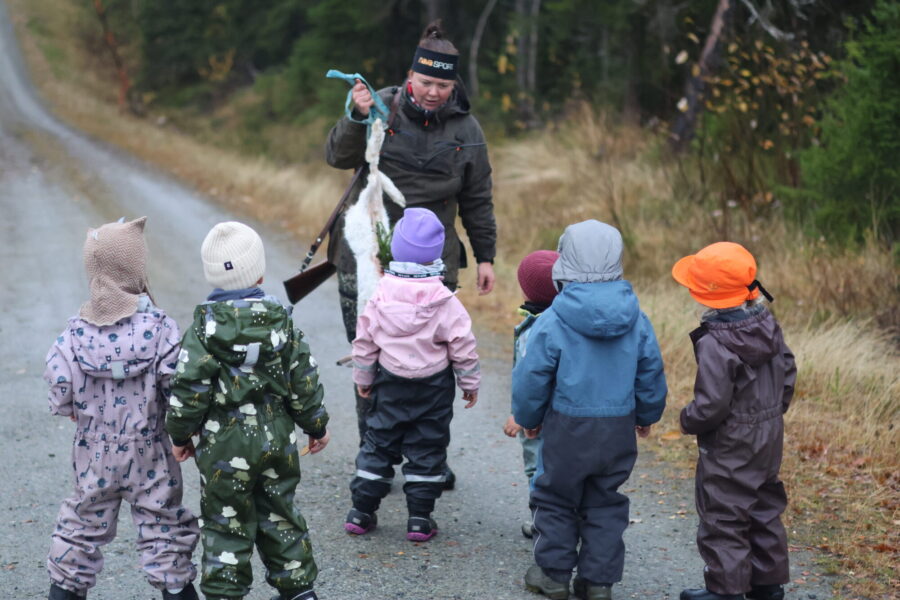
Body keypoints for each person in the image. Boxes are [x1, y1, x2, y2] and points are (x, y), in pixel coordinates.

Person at [325, 21, 497, 470]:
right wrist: (357, 117)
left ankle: (425, 457)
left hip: (435, 266)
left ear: (453, 83)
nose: (434, 92)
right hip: (366, 259)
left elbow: (477, 199)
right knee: (370, 356)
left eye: (443, 84)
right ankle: (375, 453)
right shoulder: (381, 106)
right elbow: (337, 157)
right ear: (410, 76)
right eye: (426, 82)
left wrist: (486, 257)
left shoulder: (467, 128)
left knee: (433, 365)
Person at [165, 222, 330, 600]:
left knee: (225, 524)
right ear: (259, 271)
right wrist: (316, 426)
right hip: (277, 439)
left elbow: (188, 388)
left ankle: (225, 594)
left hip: (223, 447)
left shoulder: (203, 330)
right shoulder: (281, 322)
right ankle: (300, 592)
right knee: (281, 516)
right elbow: (303, 380)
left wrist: (180, 435)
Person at [43, 217, 200, 600]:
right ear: (136, 270)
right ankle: (177, 591)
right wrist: (182, 431)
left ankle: (64, 591)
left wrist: (71, 408)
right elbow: (175, 384)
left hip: (94, 452)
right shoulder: (160, 327)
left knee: (81, 526)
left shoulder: (73, 334)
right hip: (151, 451)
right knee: (164, 528)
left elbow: (58, 382)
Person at [512, 220, 668, 600]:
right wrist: (646, 414)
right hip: (617, 425)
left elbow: (532, 375)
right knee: (605, 500)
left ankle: (553, 575)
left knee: (556, 496)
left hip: (568, 425)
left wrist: (528, 419)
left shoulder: (553, 319)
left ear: (564, 261)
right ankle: (598, 582)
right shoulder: (636, 318)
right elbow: (650, 369)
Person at [345, 208, 480, 542]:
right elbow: (463, 344)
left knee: (378, 443)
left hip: (389, 382)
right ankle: (420, 519)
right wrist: (469, 382)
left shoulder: (380, 295)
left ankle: (361, 511)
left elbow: (364, 341)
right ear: (435, 254)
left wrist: (363, 378)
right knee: (427, 447)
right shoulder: (445, 300)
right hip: (433, 388)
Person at [671, 242, 796, 600]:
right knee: (763, 505)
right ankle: (767, 585)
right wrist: (772, 410)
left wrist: (688, 419)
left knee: (724, 512)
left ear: (707, 296)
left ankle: (725, 592)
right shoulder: (767, 324)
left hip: (731, 441)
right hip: (769, 433)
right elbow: (787, 371)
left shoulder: (715, 342)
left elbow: (712, 403)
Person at [501, 249, 560, 539]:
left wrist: (520, 415)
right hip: (570, 416)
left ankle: (543, 522)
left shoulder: (533, 330)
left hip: (537, 419)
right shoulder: (570, 322)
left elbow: (530, 380)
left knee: (537, 469)